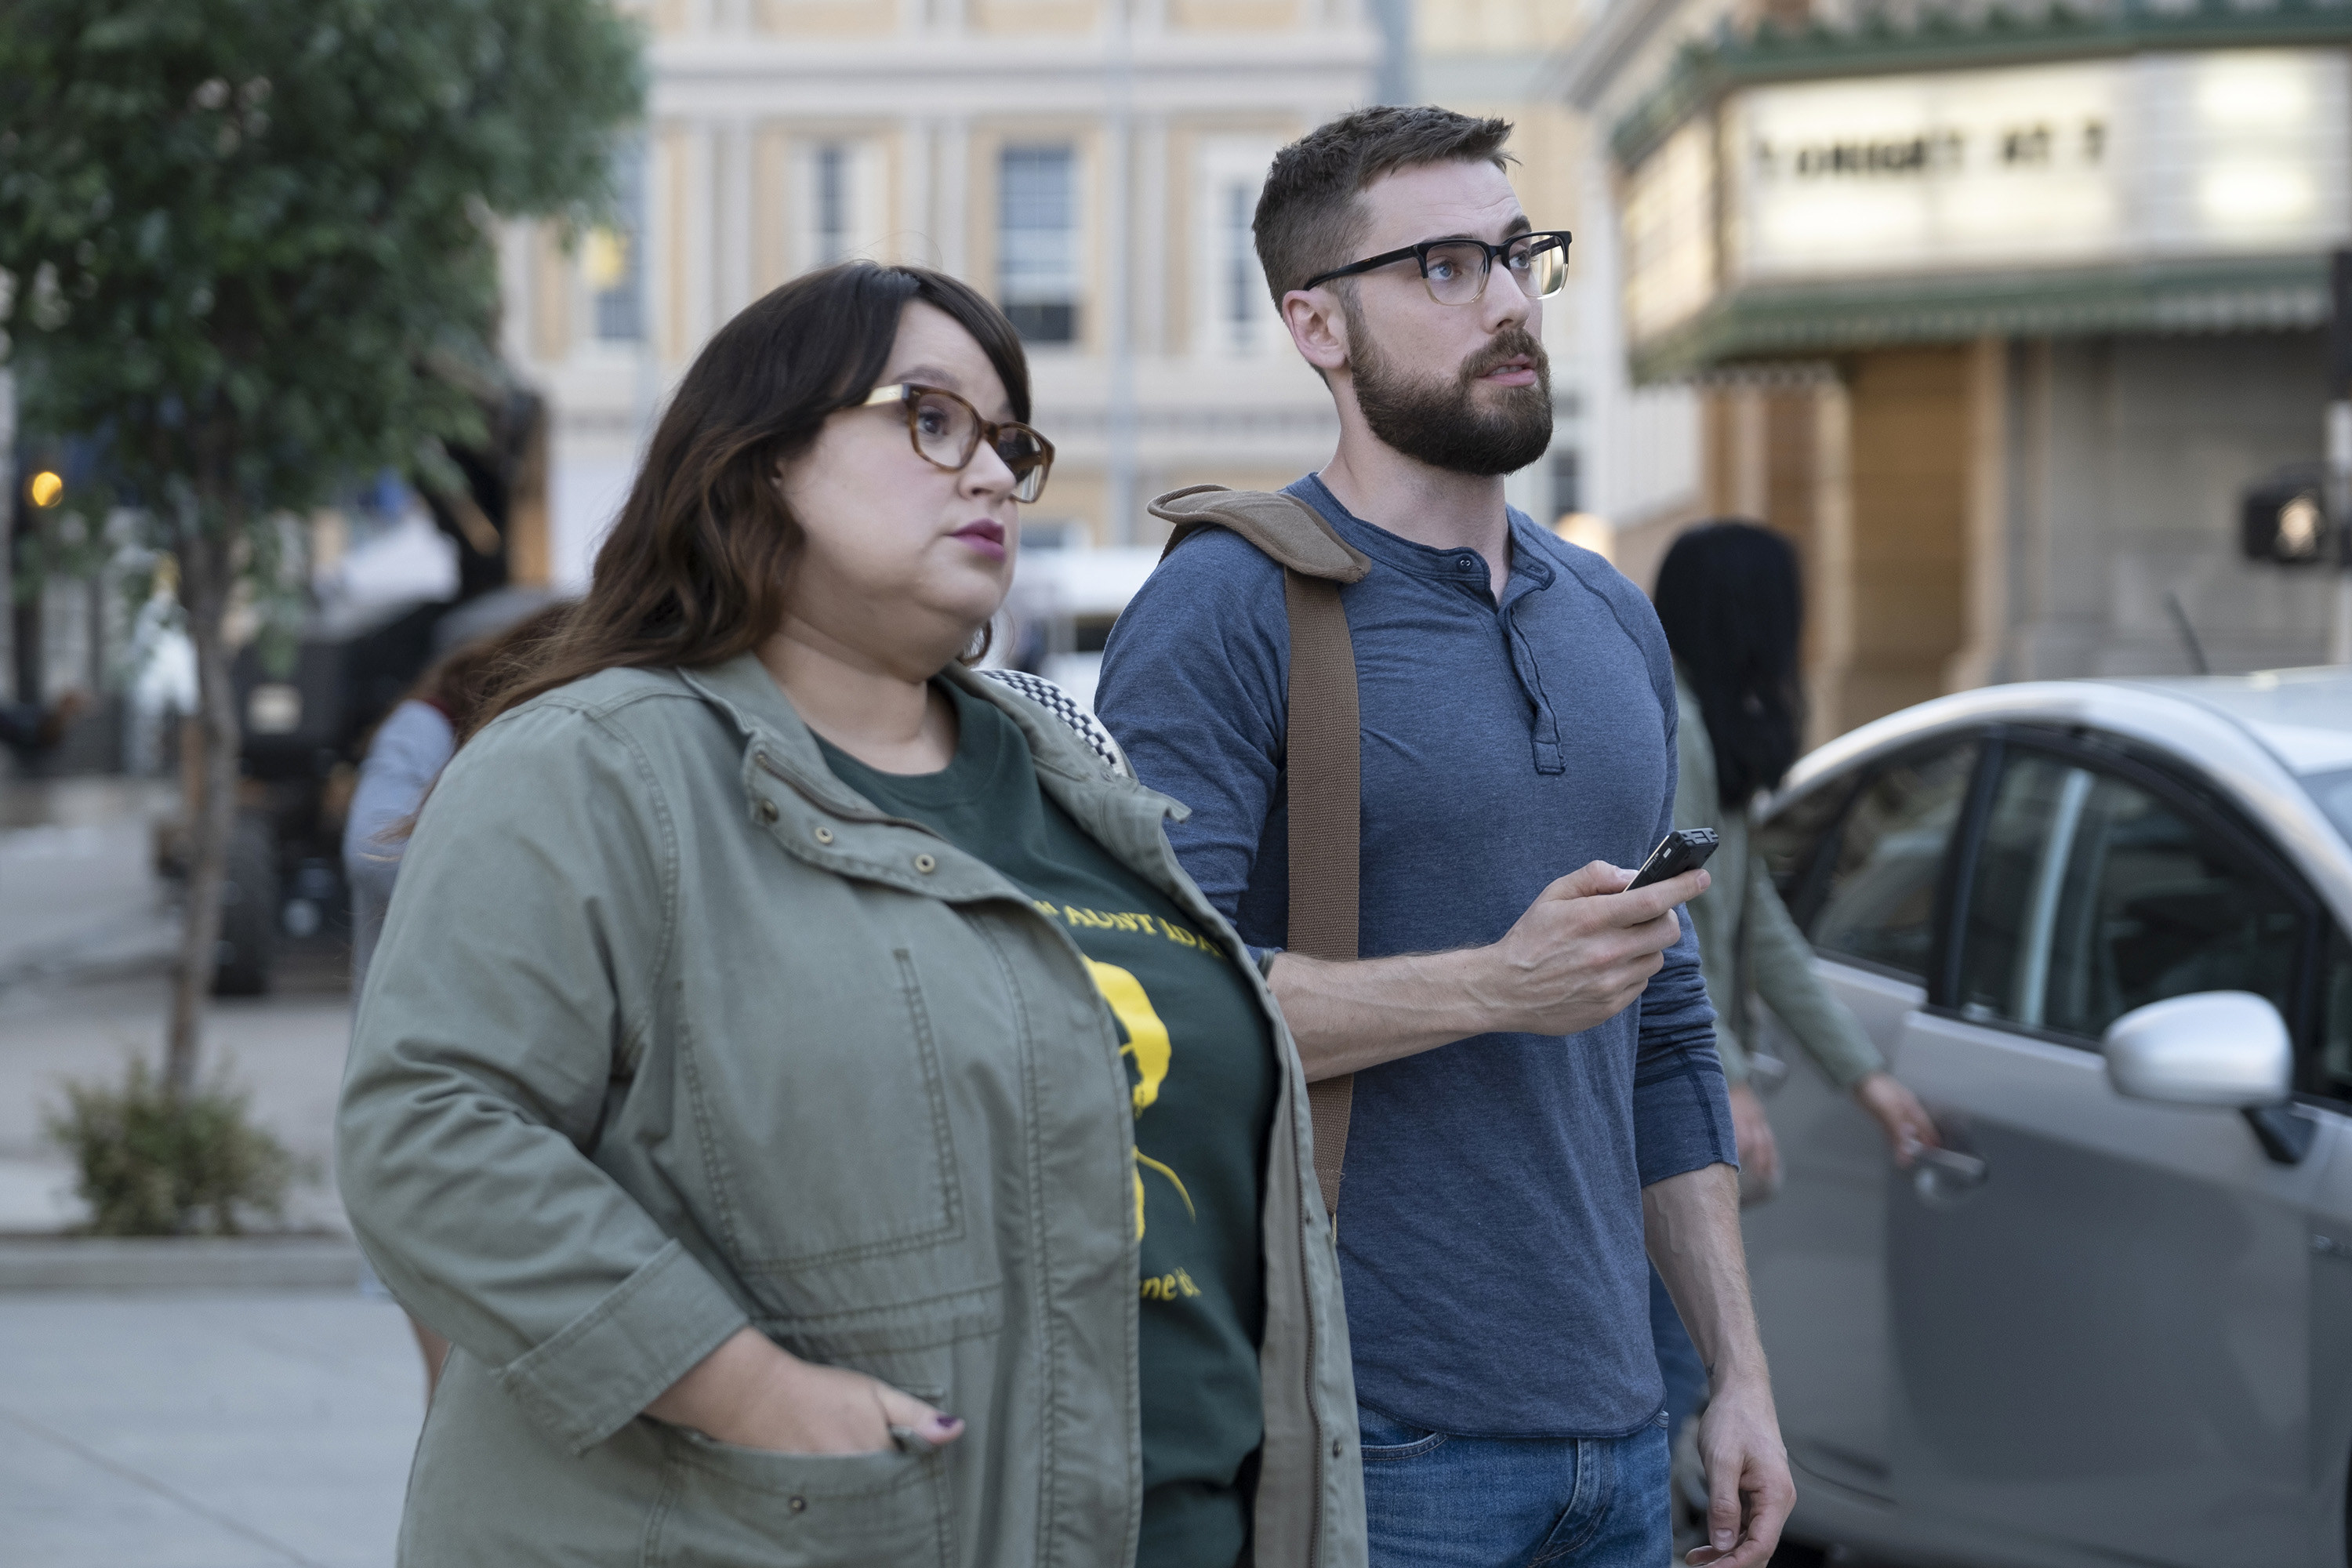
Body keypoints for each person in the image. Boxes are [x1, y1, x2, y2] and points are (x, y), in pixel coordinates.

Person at [336, 260, 1364, 1567]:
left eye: (1009, 442)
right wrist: (753, 1394)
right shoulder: (593, 766)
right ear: (760, 458)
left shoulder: (1071, 782)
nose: (992, 474)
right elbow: (427, 1133)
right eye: (930, 419)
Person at [1095, 107, 1791, 1568]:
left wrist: (1736, 1376)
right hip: (1375, 1439)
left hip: (1618, 1434)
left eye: (1518, 256)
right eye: (1445, 267)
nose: (1509, 302)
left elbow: (1665, 1026)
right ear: (1317, 327)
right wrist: (1492, 986)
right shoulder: (1231, 604)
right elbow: (1148, 1010)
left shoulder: (1607, 612)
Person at [341, 599, 575, 1400]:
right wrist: (502, 843)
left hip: (519, 1067)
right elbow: (371, 847)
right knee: (455, 1387)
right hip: (429, 1050)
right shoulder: (429, 727)